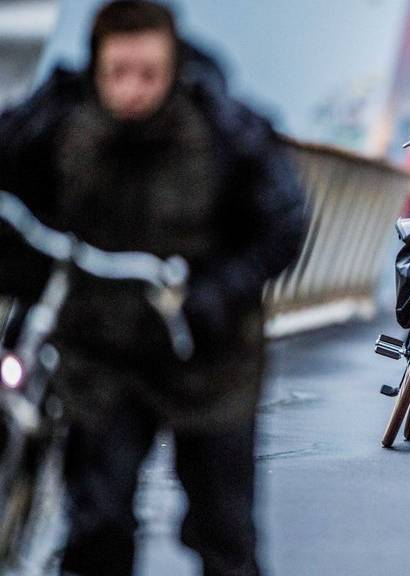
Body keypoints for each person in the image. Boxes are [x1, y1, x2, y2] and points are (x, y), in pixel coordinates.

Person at [0, 2, 306, 574]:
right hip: (102, 354)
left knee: (222, 532)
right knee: (98, 523)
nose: (132, 90)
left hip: (209, 355)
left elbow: (281, 223)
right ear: (95, 66)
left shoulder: (224, 130)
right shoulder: (57, 121)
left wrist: (217, 293)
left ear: (174, 66)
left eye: (148, 74)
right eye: (117, 73)